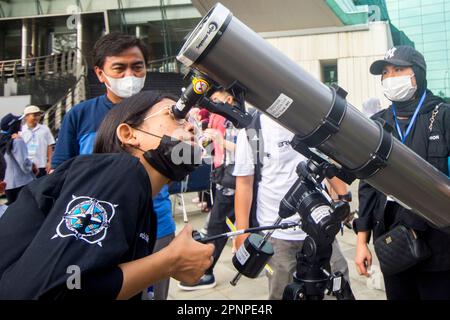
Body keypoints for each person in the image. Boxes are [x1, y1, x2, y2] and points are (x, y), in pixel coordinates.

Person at [0, 91, 214, 300]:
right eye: (175, 115)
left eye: (190, 120)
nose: (190, 127)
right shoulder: (120, 171)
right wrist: (169, 262)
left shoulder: (140, 201)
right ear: (129, 134)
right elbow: (52, 291)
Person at [51, 32, 175, 300]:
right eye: (119, 67)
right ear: (100, 73)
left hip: (157, 228)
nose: (129, 74)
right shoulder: (80, 116)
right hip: (95, 231)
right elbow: (60, 174)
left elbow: (183, 163)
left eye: (137, 66)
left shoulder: (165, 112)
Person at [354, 46, 450, 300]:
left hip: (440, 248)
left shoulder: (443, 116)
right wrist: (362, 242)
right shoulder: (377, 124)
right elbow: (367, 186)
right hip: (392, 246)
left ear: (417, 74)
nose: (390, 77)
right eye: (385, 72)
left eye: (398, 70)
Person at [233, 111, 353, 300]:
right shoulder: (252, 130)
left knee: (339, 283)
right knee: (283, 292)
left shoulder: (310, 120)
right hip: (278, 234)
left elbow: (327, 163)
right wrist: (242, 232)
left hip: (320, 227)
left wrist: (343, 197)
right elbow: (244, 183)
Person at [179, 89, 239, 290]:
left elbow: (251, 151)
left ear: (229, 99)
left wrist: (221, 142)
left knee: (216, 226)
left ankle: (206, 271)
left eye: (215, 100)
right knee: (242, 223)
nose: (212, 104)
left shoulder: (238, 119)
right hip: (223, 174)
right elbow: (203, 115)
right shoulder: (217, 114)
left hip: (235, 180)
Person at [0, 113, 36, 205]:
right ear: (14, 125)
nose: (21, 124)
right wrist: (33, 166)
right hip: (22, 183)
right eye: (19, 122)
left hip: (8, 185)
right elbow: (25, 166)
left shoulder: (3, 141)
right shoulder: (17, 141)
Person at [21, 105, 55, 178]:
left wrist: (49, 162)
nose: (37, 117)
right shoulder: (21, 130)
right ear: (26, 116)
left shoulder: (45, 129)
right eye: (34, 115)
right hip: (27, 166)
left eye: (38, 115)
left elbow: (49, 146)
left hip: (42, 165)